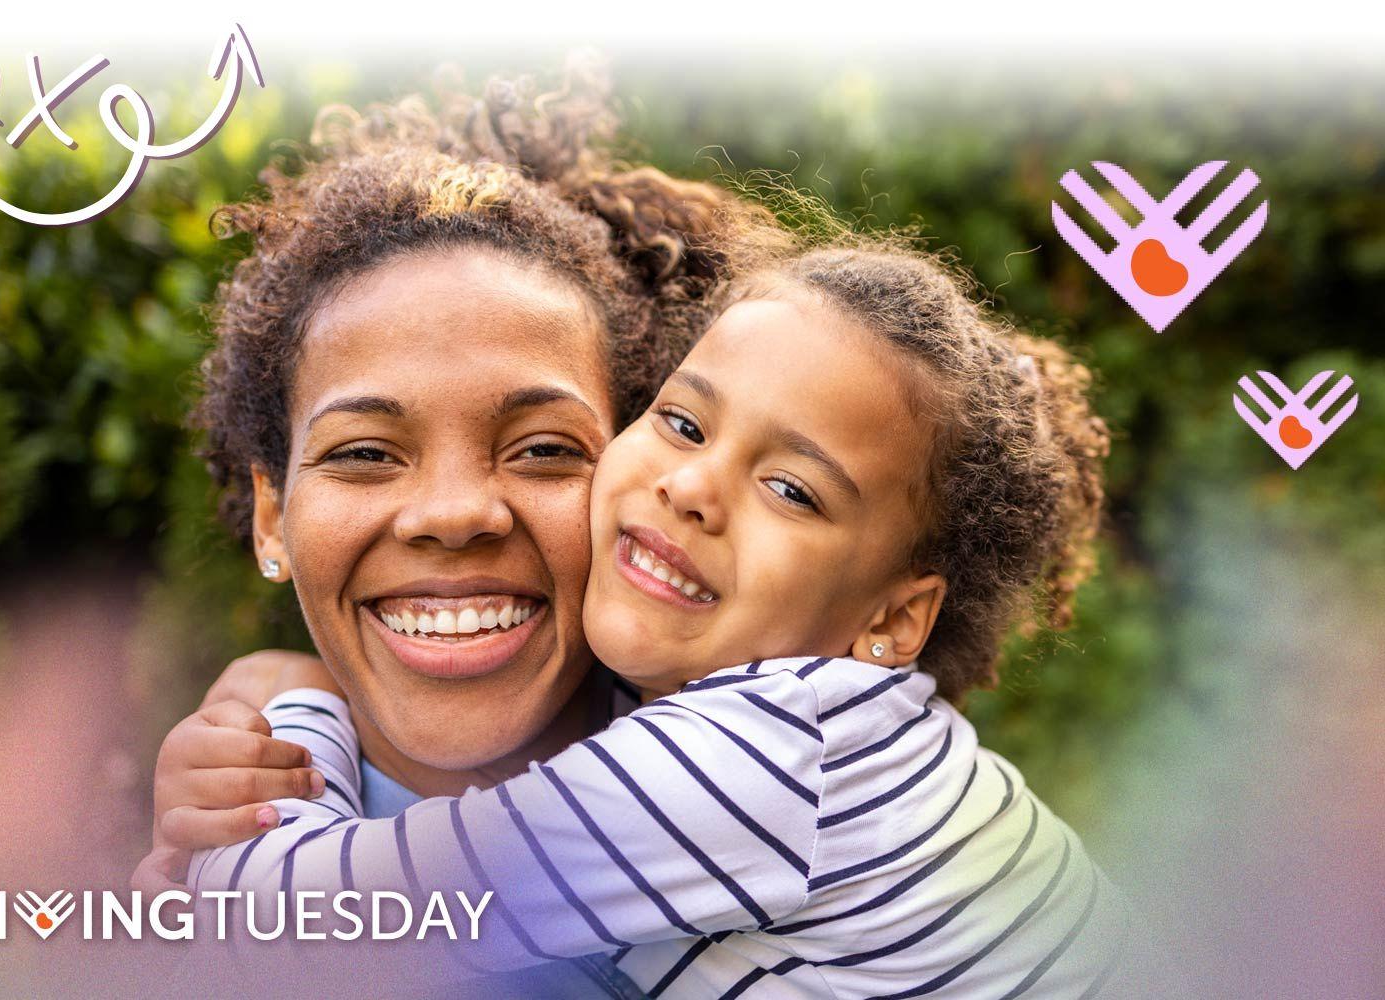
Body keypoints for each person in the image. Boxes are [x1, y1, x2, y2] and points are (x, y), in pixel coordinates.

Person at [182, 235, 1131, 998]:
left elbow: (291, 926)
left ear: (892, 617)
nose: (693, 489)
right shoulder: (799, 734)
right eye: (684, 423)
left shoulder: (757, 758)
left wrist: (289, 715)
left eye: (793, 490)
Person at [132, 60, 777, 997]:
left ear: (642, 483)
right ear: (274, 517)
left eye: (546, 449)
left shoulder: (754, 794)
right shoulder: (236, 831)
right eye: (362, 453)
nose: (454, 513)